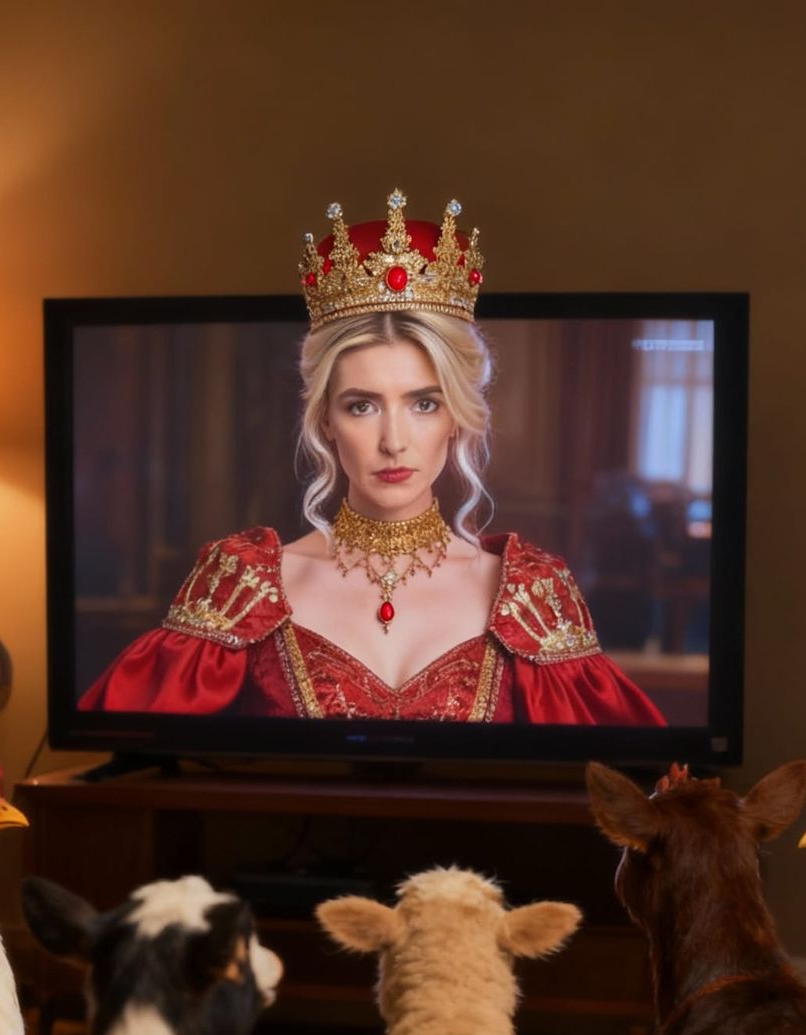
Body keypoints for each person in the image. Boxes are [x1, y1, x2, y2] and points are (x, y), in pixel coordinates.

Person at [80, 189, 666, 725]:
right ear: (326, 422)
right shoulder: (245, 585)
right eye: (362, 406)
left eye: (423, 404)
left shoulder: (530, 595)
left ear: (457, 417)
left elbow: (622, 778)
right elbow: (123, 755)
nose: (393, 440)